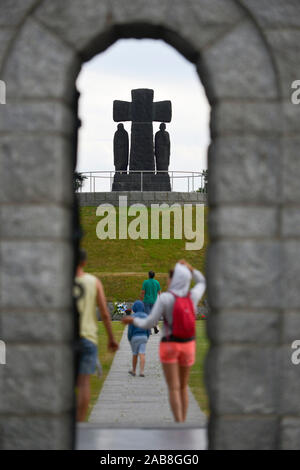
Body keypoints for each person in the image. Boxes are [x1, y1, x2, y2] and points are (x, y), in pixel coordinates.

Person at [123, 260, 206, 423]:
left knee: (174, 388)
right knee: (183, 387)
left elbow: (149, 322)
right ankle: (184, 421)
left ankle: (179, 422)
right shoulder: (192, 296)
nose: (168, 281)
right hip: (188, 344)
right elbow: (203, 281)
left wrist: (133, 321)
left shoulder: (167, 298)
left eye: (170, 278)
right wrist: (191, 268)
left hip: (170, 345)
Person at [75, 249, 119, 421]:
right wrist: (111, 338)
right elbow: (105, 313)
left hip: (66, 341)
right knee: (84, 383)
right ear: (84, 263)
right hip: (87, 338)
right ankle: (80, 424)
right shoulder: (93, 282)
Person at [127, 301, 150, 377]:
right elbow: (148, 328)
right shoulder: (146, 316)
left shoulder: (133, 316)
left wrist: (129, 338)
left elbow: (130, 329)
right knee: (142, 353)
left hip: (135, 337)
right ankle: (142, 371)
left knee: (135, 354)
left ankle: (133, 370)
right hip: (143, 336)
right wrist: (147, 336)